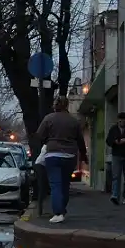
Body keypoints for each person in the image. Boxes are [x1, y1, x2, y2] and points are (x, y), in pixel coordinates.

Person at [36, 96, 88, 224]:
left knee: (55, 185)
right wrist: (84, 155)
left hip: (52, 154)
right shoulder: (74, 121)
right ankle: (62, 208)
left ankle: (58, 212)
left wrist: (46, 142)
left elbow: (39, 135)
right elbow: (80, 141)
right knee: (65, 184)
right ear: (67, 105)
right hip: (70, 155)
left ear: (55, 106)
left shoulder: (49, 118)